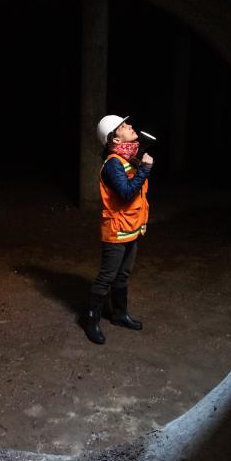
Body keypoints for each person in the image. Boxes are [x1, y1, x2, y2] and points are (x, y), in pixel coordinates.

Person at [81, 115, 153, 344]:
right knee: (107, 277)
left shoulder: (129, 157)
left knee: (123, 274)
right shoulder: (113, 163)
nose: (131, 126)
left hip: (131, 227)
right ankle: (91, 320)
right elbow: (126, 193)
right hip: (117, 229)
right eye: (124, 126)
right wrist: (146, 169)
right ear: (114, 138)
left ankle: (120, 315)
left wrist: (141, 162)